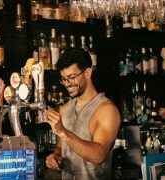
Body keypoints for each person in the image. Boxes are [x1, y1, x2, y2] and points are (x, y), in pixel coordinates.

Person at [45, 48, 121, 180]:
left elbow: (99, 156)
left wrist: (63, 131)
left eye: (72, 77)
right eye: (63, 79)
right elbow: (60, 147)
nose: (67, 84)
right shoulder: (64, 109)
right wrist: (55, 157)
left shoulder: (106, 110)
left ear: (87, 73)